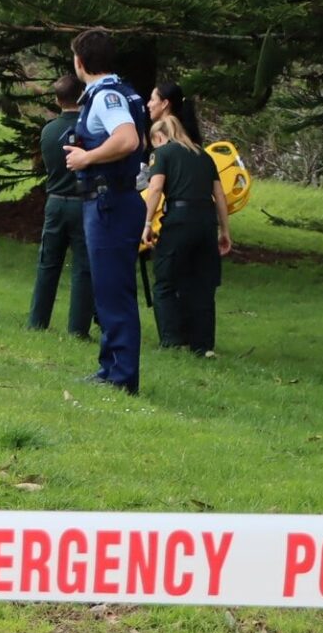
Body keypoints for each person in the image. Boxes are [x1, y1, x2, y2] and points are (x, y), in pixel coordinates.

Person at [62, 29, 151, 395]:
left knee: (114, 291)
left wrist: (88, 157)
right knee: (109, 288)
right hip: (115, 200)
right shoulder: (126, 91)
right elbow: (142, 141)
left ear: (80, 62)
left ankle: (121, 376)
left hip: (108, 202)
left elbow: (128, 139)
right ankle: (110, 366)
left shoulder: (106, 97)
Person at [142, 114, 233, 354]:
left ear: (159, 137)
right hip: (206, 222)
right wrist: (224, 230)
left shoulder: (162, 154)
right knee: (202, 284)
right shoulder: (204, 156)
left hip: (179, 221)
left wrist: (147, 222)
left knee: (165, 281)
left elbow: (156, 187)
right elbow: (220, 195)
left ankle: (172, 340)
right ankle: (203, 345)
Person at [26, 72, 93, 339]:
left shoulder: (48, 130)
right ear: (84, 96)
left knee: (48, 263)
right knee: (83, 266)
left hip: (54, 202)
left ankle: (37, 320)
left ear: (57, 99)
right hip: (82, 202)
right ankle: (78, 328)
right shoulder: (91, 129)